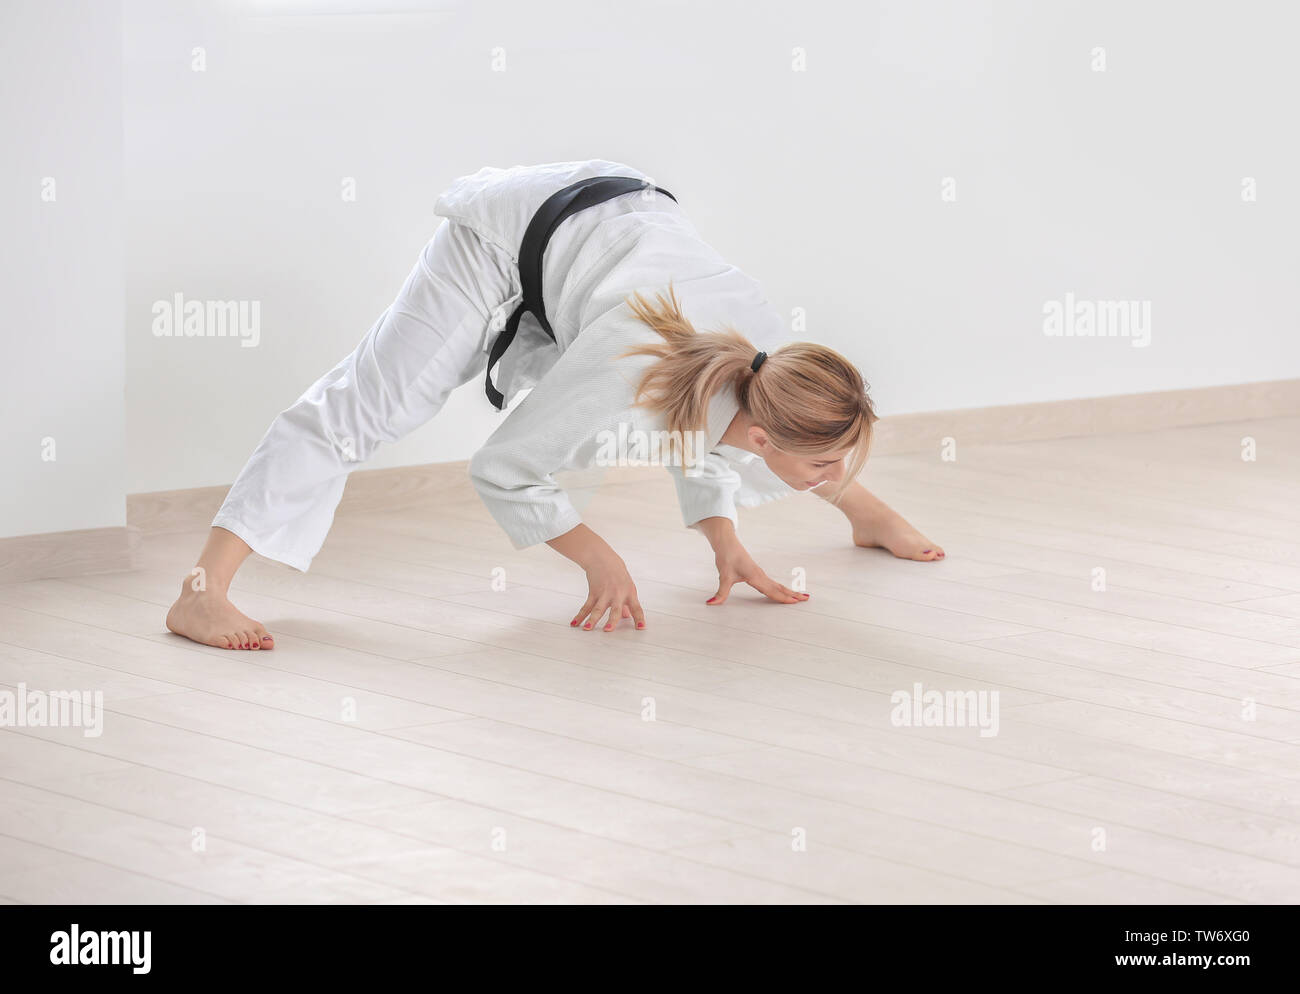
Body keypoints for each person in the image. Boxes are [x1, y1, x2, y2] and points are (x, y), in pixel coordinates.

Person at [165, 159, 943, 650]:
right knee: (367, 407)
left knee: (799, 434)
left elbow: (705, 430)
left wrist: (723, 538)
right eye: (830, 468)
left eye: (843, 466)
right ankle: (202, 594)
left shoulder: (773, 359)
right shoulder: (633, 357)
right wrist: (595, 555)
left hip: (615, 221)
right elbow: (507, 468)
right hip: (508, 238)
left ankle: (864, 516)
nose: (830, 470)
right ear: (766, 436)